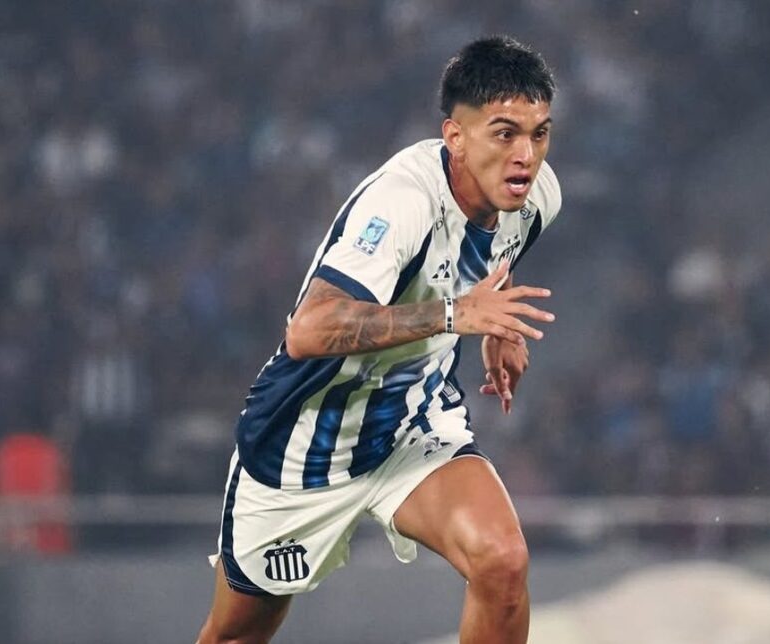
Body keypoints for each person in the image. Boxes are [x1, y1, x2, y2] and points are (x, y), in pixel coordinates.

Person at [197, 35, 561, 644]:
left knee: (502, 560)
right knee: (236, 633)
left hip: (410, 426)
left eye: (540, 133)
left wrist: (495, 323)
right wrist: (456, 314)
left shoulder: (537, 197)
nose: (526, 156)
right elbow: (309, 331)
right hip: (304, 443)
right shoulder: (401, 203)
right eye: (504, 134)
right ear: (455, 137)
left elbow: (489, 254)